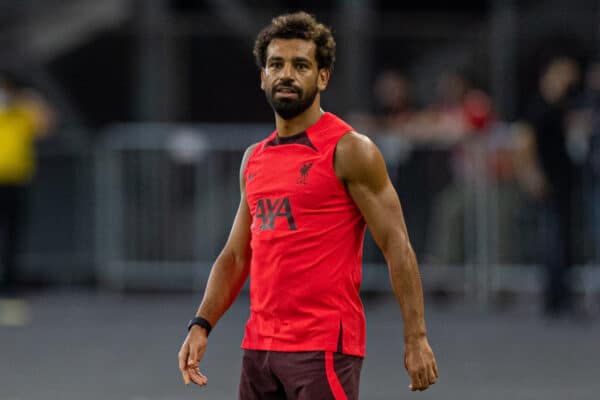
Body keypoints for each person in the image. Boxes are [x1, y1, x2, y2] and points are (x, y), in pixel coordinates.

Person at [178, 12, 438, 399]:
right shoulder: (255, 159)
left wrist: (416, 338)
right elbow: (235, 255)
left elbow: (397, 244)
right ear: (263, 77)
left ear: (322, 77)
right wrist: (201, 323)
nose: (286, 74)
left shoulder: (350, 150)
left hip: (322, 349)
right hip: (260, 349)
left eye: (301, 65)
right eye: (276, 64)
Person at [512, 56, 580, 317]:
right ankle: (554, 297)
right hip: (548, 183)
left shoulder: (562, 105)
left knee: (564, 239)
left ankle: (562, 295)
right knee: (553, 241)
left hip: (564, 183)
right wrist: (531, 175)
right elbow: (523, 141)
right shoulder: (537, 107)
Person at [0, 71, 53, 297]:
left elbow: (46, 126)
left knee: (14, 234)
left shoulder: (22, 112)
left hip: (17, 180)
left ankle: (11, 281)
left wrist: (32, 101)